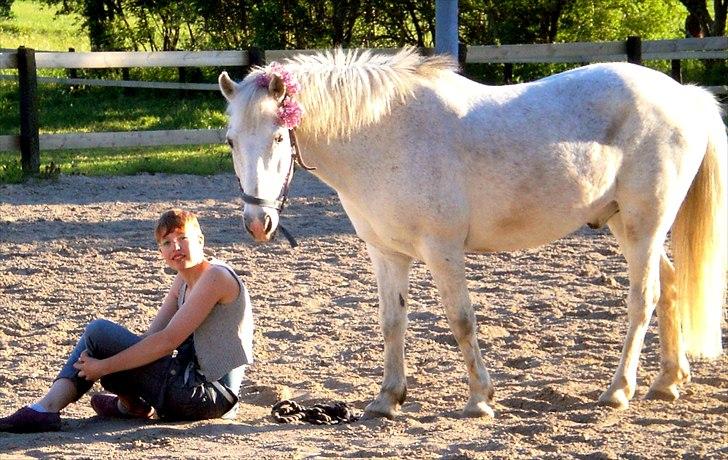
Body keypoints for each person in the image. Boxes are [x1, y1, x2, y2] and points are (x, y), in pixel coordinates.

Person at [0, 209, 254, 432]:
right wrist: (110, 365)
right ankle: (131, 406)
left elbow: (166, 342)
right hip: (190, 389)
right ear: (161, 252)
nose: (176, 248)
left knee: (99, 333)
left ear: (200, 240)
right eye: (167, 243)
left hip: (208, 397)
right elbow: (150, 337)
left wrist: (103, 367)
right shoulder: (183, 280)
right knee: (112, 356)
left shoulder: (216, 277)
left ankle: (47, 408)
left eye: (182, 239)